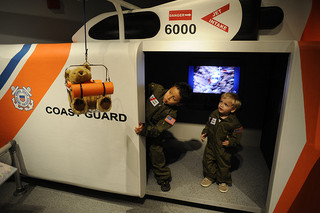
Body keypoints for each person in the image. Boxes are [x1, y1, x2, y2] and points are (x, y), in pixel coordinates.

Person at [135, 82, 192, 192]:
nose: (168, 97)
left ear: (178, 104)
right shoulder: (158, 89)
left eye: (173, 98)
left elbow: (157, 130)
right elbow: (142, 85)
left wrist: (144, 130)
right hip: (139, 120)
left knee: (156, 152)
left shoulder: (171, 116)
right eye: (170, 92)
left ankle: (164, 178)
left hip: (152, 131)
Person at [200, 92, 243, 193]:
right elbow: (208, 125)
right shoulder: (214, 114)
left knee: (223, 164)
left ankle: (222, 181)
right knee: (208, 161)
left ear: (232, 109)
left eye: (226, 104)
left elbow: (237, 135)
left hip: (223, 149)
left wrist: (231, 142)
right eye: (221, 102)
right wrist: (205, 132)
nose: (221, 105)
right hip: (211, 145)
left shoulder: (234, 122)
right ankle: (210, 176)